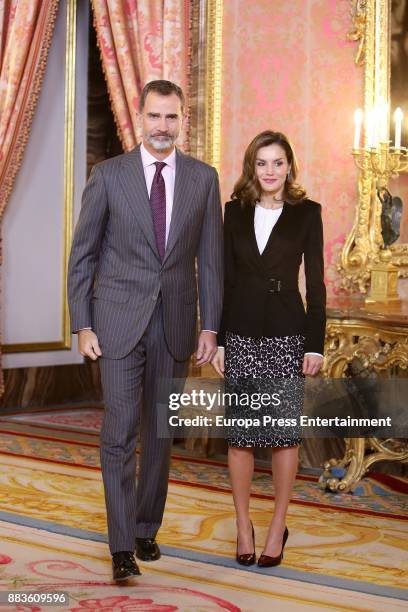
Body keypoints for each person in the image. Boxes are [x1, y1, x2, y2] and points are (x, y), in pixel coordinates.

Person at [68, 80, 223, 581]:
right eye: (155, 117)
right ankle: (119, 548)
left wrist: (212, 327)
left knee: (160, 433)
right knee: (118, 432)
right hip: (115, 322)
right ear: (140, 117)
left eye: (171, 117)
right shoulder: (108, 175)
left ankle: (145, 527)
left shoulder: (203, 178)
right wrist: (83, 323)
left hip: (176, 323)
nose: (162, 127)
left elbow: (212, 262)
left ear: (183, 120)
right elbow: (83, 255)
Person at [211, 130, 326, 568]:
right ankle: (244, 526)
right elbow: (224, 280)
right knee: (240, 438)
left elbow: (315, 285)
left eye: (278, 163)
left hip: (286, 334)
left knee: (281, 436)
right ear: (251, 168)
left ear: (290, 167)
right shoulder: (234, 213)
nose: (271, 171)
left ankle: (278, 525)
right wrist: (219, 339)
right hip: (240, 333)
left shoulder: (307, 213)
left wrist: (314, 345)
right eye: (262, 163)